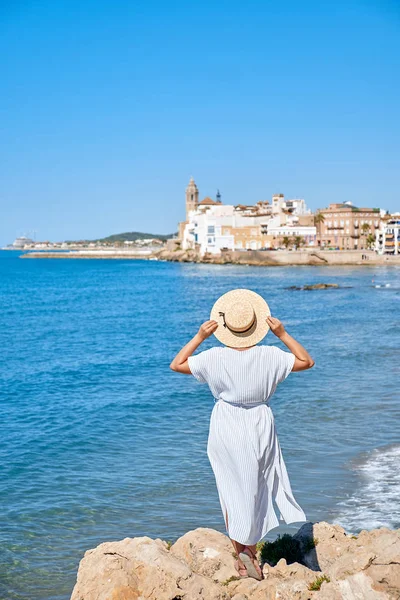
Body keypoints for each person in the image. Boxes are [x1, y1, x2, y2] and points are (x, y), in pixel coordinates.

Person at [170, 288, 314, 580]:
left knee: (232, 488)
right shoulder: (271, 355)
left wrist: (199, 336)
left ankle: (243, 553)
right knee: (255, 487)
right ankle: (251, 549)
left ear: (226, 329)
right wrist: (283, 334)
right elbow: (306, 361)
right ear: (255, 326)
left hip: (226, 423)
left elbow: (177, 364)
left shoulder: (213, 357)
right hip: (260, 423)